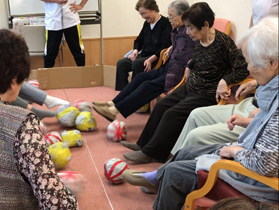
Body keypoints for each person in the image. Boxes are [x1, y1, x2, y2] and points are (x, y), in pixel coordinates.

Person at [123, 16, 279, 210]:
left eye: (253, 63)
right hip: (249, 156)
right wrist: (250, 124)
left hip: (254, 180)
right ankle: (158, 177)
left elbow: (265, 165)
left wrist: (233, 151)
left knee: (175, 173)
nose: (249, 69)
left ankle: (163, 177)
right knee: (186, 150)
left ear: (273, 62)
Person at [122, 2, 249, 164]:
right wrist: (190, 66)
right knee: (161, 105)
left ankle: (151, 153)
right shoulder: (199, 39)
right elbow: (196, 57)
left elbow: (242, 68)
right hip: (190, 86)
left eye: (190, 28)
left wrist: (225, 81)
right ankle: (142, 144)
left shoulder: (223, 43)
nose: (187, 32)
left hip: (207, 92)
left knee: (171, 113)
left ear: (205, 25)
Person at [171, 0, 278, 154]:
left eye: (252, 63)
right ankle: (172, 162)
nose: (249, 68)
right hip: (251, 105)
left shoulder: (222, 42)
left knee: (195, 133)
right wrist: (254, 83)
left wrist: (258, 115)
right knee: (195, 114)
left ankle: (174, 168)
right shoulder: (270, 68)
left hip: (256, 118)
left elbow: (270, 128)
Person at [0, 29, 78, 209]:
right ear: (14, 82)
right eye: (21, 82)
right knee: (68, 195)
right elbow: (57, 204)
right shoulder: (23, 125)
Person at [92, 0, 195, 122]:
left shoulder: (190, 31)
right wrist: (171, 47)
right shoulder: (177, 29)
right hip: (167, 66)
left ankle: (115, 110)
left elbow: (190, 50)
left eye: (171, 16)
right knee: (140, 77)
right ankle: (113, 103)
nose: (169, 19)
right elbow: (174, 43)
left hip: (176, 73)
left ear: (182, 15)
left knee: (147, 84)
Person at [115, 0, 172, 91]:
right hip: (144, 55)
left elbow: (165, 46)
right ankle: (124, 91)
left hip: (156, 58)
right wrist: (135, 51)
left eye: (144, 13)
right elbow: (138, 40)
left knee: (137, 63)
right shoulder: (146, 23)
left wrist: (150, 59)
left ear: (153, 9)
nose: (143, 17)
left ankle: (134, 91)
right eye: (141, 14)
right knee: (121, 64)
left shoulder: (165, 23)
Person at [41, 0, 88, 68]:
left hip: (71, 20)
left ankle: (83, 76)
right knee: (49, 55)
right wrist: (56, 1)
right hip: (53, 21)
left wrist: (81, 5)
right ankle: (46, 77)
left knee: (78, 52)